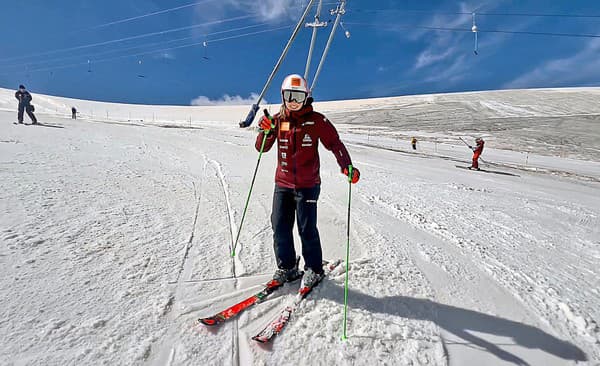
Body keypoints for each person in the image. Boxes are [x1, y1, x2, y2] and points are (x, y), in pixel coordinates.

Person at [255, 74, 360, 288]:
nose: (294, 100)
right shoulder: (277, 120)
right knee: (280, 226)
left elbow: (334, 143)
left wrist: (346, 165)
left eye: (299, 96)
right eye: (289, 95)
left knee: (306, 227)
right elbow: (262, 147)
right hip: (282, 184)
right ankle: (288, 267)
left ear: (307, 97)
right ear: (283, 96)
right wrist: (264, 131)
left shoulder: (317, 120)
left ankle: (314, 269)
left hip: (308, 185)